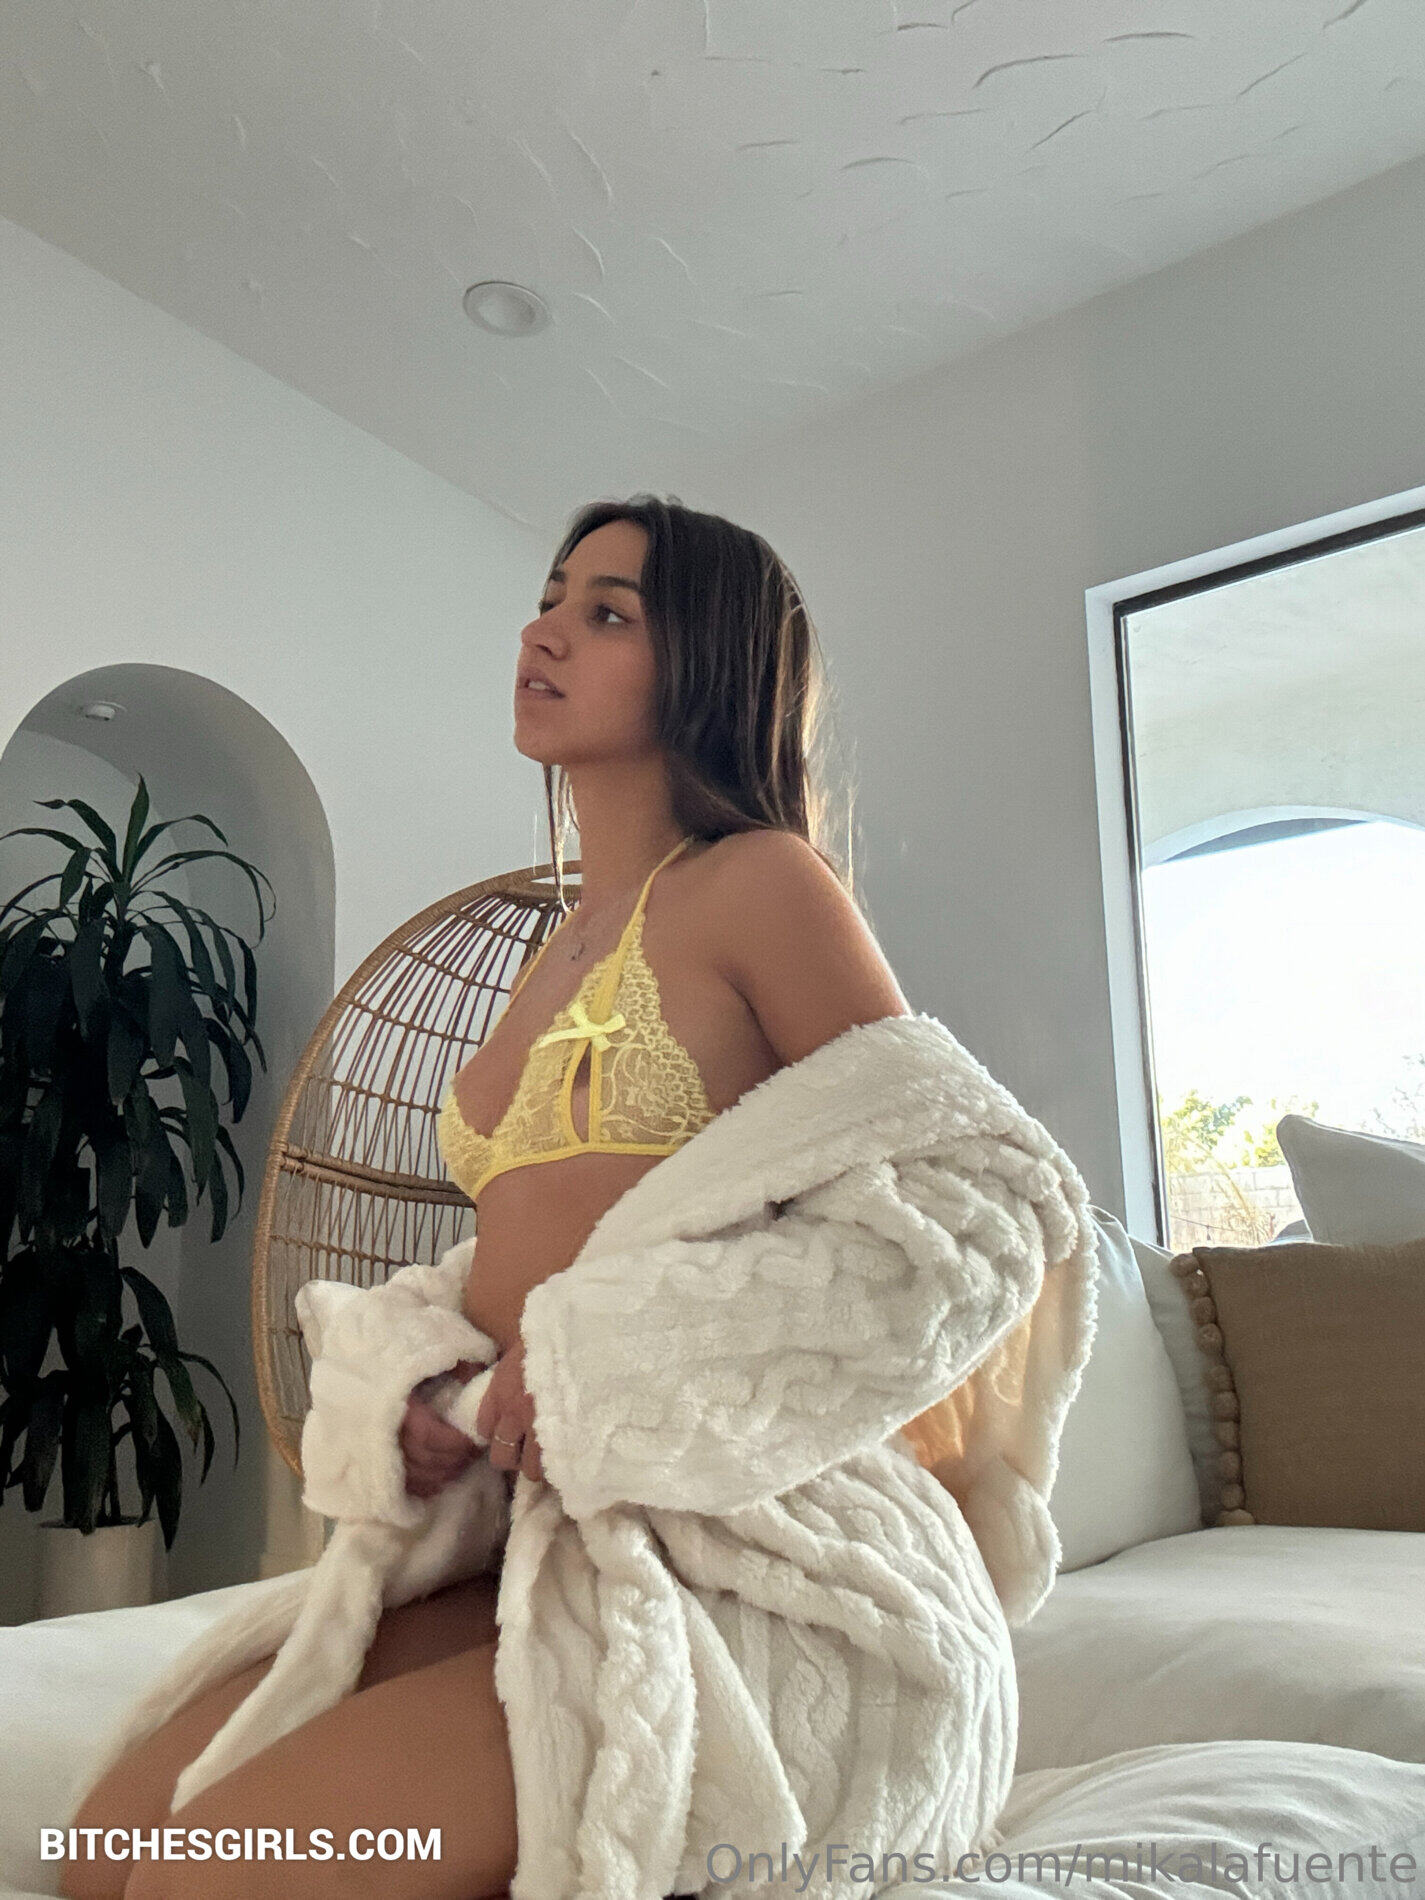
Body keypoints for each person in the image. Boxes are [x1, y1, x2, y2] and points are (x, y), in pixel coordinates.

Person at [64, 496, 927, 1900]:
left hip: (726, 1544)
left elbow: (951, 1207)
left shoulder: (762, 885)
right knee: (107, 1851)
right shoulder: (552, 953)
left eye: (608, 612)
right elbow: (503, 1266)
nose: (545, 632)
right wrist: (418, 1388)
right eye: (548, 598)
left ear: (708, 661)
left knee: (202, 1882)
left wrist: (606, 1355)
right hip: (532, 1528)